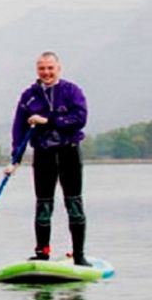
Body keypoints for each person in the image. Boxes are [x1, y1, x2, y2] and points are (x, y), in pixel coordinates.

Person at [5, 52, 89, 267]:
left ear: (58, 68)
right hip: (43, 155)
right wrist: (15, 160)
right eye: (42, 68)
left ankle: (79, 255)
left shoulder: (72, 91)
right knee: (43, 205)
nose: (46, 73)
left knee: (74, 203)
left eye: (50, 68)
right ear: (37, 70)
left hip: (68, 152)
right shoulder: (29, 96)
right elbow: (19, 129)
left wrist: (48, 120)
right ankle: (42, 253)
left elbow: (79, 119)